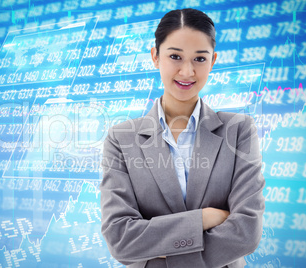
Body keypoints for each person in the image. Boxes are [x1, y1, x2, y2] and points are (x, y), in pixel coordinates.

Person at [100, 8, 265, 268]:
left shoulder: (239, 130)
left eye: (200, 59)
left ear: (213, 61)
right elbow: (121, 239)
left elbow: (246, 232)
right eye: (175, 56)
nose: (187, 72)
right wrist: (202, 219)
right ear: (155, 56)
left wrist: (159, 249)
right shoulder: (122, 139)